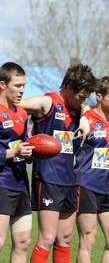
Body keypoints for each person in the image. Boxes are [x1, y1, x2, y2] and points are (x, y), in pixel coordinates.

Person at [21, 63, 97, 263]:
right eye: (81, 96)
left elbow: (90, 109)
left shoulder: (80, 109)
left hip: (69, 180)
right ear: (69, 88)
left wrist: (85, 118)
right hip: (48, 179)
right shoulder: (47, 103)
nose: (83, 100)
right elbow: (14, 105)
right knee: (46, 238)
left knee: (65, 238)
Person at [74, 76, 109, 262]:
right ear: (99, 97)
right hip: (86, 185)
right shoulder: (86, 118)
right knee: (88, 240)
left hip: (108, 187)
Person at [0, 62, 34, 262]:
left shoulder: (22, 113)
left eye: (24, 86)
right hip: (2, 184)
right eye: (17, 85)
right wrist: (14, 152)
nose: (22, 90)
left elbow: (21, 145)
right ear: (2, 84)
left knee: (23, 242)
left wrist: (30, 150)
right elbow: (12, 150)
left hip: (21, 184)